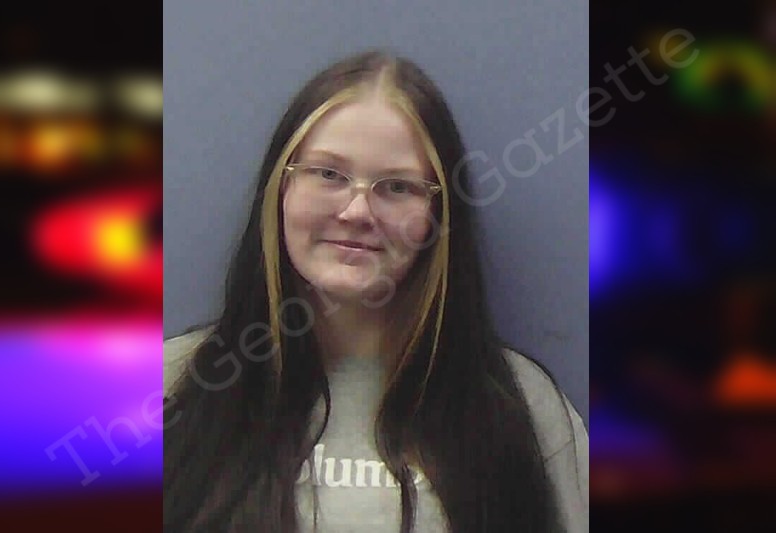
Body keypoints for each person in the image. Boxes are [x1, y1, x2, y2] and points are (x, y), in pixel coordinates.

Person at [163, 49, 588, 533]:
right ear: (280, 187)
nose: (357, 212)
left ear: (438, 215)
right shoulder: (166, 387)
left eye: (398, 187)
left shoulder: (522, 408)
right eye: (328, 174)